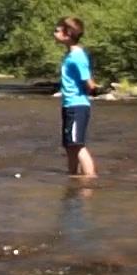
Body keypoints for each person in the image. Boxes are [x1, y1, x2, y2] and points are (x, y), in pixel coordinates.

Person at [55, 16, 98, 177]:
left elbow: (89, 83)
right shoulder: (70, 54)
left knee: (77, 144)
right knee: (69, 145)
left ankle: (90, 178)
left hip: (77, 105)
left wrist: (92, 91)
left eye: (57, 30)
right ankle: (73, 176)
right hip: (69, 105)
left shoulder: (78, 56)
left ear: (68, 34)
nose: (54, 33)